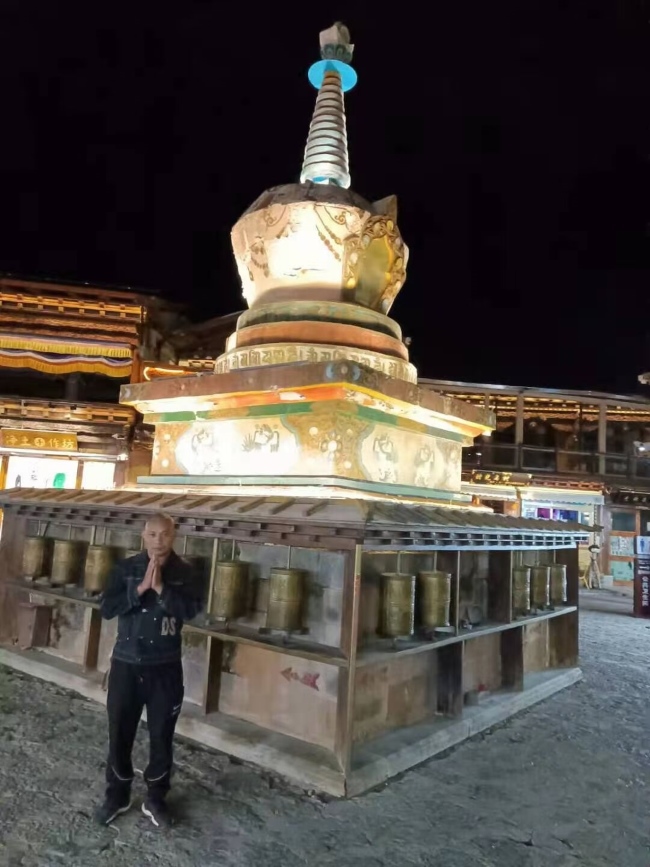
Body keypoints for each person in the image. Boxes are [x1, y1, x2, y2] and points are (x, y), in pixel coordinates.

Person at [95, 512, 202, 828]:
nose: (159, 541)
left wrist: (162, 589)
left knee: (162, 736)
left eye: (165, 534)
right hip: (126, 665)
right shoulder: (126, 569)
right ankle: (118, 795)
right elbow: (107, 608)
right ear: (143, 536)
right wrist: (140, 588)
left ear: (174, 536)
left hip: (164, 668)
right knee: (119, 732)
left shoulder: (186, 574)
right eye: (153, 534)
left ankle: (156, 798)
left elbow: (191, 610)